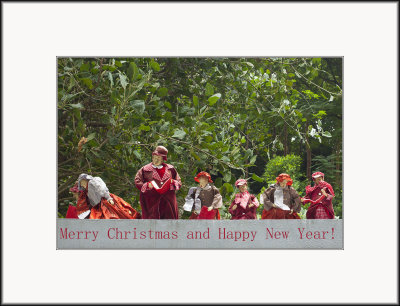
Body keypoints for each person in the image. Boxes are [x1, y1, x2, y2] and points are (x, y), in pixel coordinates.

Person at [134, 146, 182, 219]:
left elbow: (178, 182)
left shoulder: (171, 169)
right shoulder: (145, 169)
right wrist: (147, 185)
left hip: (168, 201)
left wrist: (173, 182)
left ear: (163, 159)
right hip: (151, 202)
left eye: (158, 158)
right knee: (152, 222)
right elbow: (137, 181)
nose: (156, 160)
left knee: (168, 221)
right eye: (154, 157)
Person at [75, 173, 141, 219]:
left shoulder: (93, 182)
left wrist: (108, 198)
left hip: (105, 202)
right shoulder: (87, 191)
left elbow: (102, 188)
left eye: (82, 183)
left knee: (115, 214)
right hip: (98, 207)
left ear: (85, 180)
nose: (82, 185)